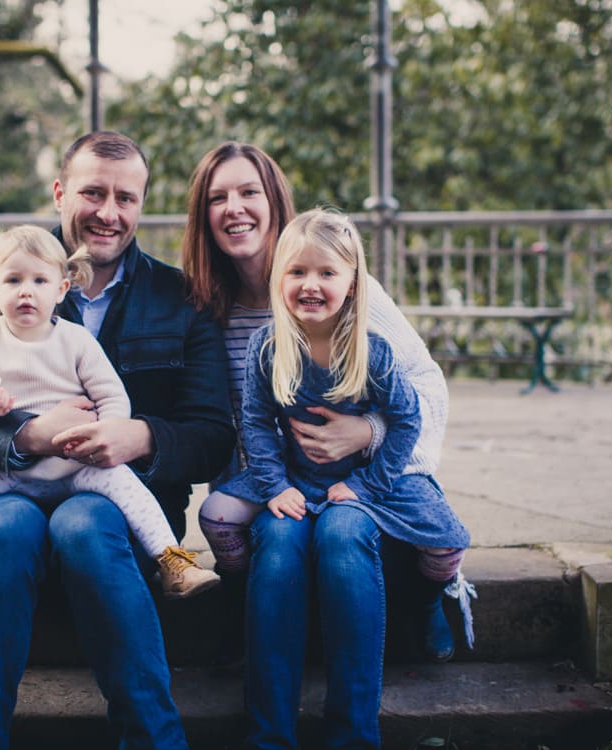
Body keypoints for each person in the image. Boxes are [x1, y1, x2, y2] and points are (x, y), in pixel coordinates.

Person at [0, 132, 235, 748]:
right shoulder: (0, 285)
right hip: (11, 489)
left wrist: (139, 437)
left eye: (125, 198)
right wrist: (25, 436)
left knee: (83, 523)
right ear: (60, 193)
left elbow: (214, 437)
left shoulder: (181, 299)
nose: (108, 213)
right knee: (5, 531)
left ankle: (154, 741)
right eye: (92, 192)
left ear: (140, 205)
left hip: (121, 503)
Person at [217, 208, 470, 748]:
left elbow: (410, 418)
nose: (311, 285)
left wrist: (367, 485)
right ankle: (268, 735)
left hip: (363, 479)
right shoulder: (270, 346)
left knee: (347, 532)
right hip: (289, 477)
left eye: (327, 274)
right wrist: (272, 485)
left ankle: (354, 734)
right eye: (297, 273)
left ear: (354, 284)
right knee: (259, 533)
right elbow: (255, 423)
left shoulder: (370, 349)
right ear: (277, 278)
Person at [0, 226, 220, 644]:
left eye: (39, 281)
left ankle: (173, 562)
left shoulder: (76, 340)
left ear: (62, 289)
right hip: (9, 472)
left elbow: (111, 394)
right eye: (13, 281)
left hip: (74, 463)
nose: (26, 292)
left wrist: (108, 434)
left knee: (125, 483)